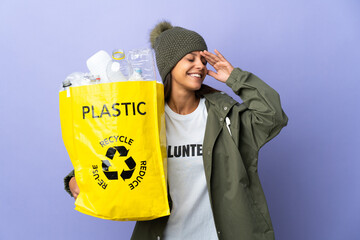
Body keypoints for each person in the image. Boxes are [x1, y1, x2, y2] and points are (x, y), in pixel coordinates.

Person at [64, 21, 288, 240]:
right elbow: (113, 148)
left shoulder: (225, 116)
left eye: (203, 59)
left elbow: (273, 116)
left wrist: (235, 78)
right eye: (190, 59)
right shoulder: (145, 116)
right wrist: (75, 179)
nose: (200, 65)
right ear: (169, 65)